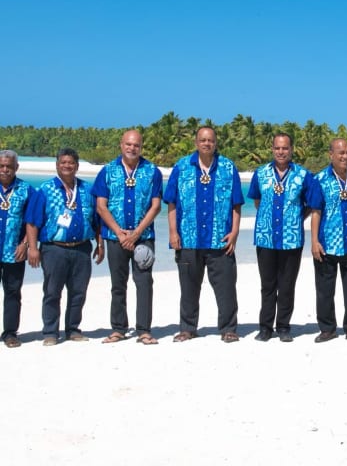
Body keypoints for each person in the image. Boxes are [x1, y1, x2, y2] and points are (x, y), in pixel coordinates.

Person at [163, 126, 244, 343]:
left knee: (226, 288)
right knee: (188, 288)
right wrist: (172, 232)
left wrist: (235, 232)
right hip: (188, 239)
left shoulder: (227, 167)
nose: (206, 143)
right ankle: (188, 328)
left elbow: (236, 204)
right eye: (202, 140)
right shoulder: (181, 167)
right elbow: (171, 202)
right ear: (196, 142)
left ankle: (228, 328)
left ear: (215, 142)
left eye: (210, 140)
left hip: (220, 240)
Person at [92, 130, 163, 345]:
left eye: (136, 145)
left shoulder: (152, 171)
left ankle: (143, 330)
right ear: (121, 145)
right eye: (128, 144)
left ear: (141, 147)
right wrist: (119, 232)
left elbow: (156, 206)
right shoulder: (108, 171)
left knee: (144, 283)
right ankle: (118, 329)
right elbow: (101, 206)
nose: (132, 148)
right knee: (118, 284)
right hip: (115, 238)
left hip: (143, 237)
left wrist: (137, 233)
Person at [26, 149, 103, 345]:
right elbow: (33, 221)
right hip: (54, 249)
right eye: (63, 162)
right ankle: (50, 332)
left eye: (71, 163)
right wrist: (33, 248)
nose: (67, 166)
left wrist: (100, 244)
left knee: (79, 292)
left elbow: (96, 221)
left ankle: (73, 329)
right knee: (52, 291)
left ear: (77, 166)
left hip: (82, 248)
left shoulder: (87, 190)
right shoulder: (44, 189)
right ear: (57, 165)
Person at [247, 132, 314, 343]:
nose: (281, 152)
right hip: (265, 238)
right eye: (277, 148)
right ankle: (265, 327)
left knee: (287, 285)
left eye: (285, 148)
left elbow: (311, 204)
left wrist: (293, 219)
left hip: (291, 239)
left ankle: (283, 326)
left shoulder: (303, 175)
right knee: (267, 285)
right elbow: (257, 202)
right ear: (272, 149)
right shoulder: (261, 173)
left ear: (291, 149)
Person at [307, 138, 347, 343]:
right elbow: (316, 212)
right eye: (340, 153)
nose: (344, 156)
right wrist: (314, 241)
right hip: (328, 243)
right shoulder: (320, 179)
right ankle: (327, 328)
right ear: (331, 155)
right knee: (325, 289)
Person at [0, 150, 35, 348]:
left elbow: (31, 220)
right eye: (2, 166)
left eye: (9, 166)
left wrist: (25, 244)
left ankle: (10, 333)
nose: (5, 169)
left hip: (14, 252)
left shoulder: (26, 190)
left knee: (13, 293)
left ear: (16, 168)